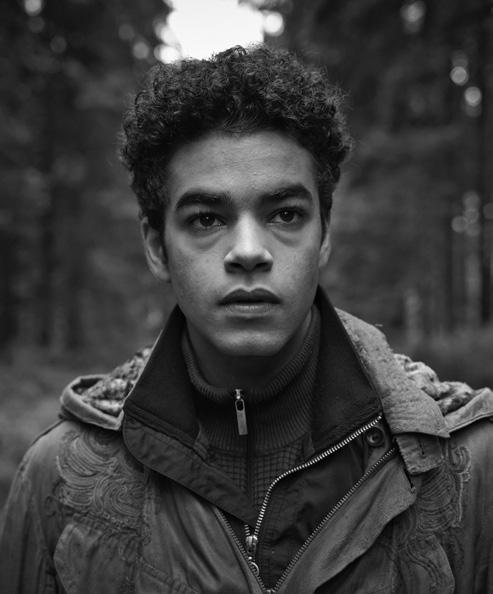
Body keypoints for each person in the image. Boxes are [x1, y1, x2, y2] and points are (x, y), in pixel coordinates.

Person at [1, 45, 492, 594]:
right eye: (206, 219)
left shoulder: (471, 465)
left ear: (323, 236)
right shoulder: (60, 481)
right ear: (157, 247)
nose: (249, 251)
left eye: (285, 214)